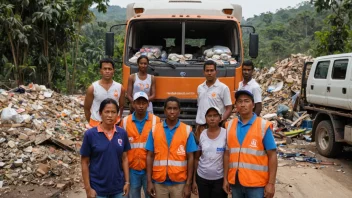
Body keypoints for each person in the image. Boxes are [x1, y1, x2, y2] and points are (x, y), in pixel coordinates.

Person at [223, 90, 278, 198]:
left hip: (257, 185)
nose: (243, 104)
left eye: (246, 101)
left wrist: (271, 184)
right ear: (236, 106)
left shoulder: (262, 126)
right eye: (239, 101)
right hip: (236, 183)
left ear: (253, 105)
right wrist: (225, 179)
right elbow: (227, 154)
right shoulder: (229, 126)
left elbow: (272, 155)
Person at [145, 96, 198, 198]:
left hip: (180, 182)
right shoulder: (154, 130)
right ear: (165, 110)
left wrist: (188, 183)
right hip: (159, 181)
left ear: (179, 111)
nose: (172, 111)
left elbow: (190, 157)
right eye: (169, 108)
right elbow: (149, 156)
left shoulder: (187, 130)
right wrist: (149, 181)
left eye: (175, 108)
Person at [81, 98, 130, 198]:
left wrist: (127, 182)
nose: (110, 115)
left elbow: (124, 158)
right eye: (107, 112)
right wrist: (88, 188)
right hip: (98, 189)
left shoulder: (122, 133)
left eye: (113, 112)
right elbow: (84, 162)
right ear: (100, 113)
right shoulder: (90, 134)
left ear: (117, 115)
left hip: (118, 188)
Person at [120, 92, 161, 198]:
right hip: (132, 169)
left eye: (144, 103)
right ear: (133, 104)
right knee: (133, 195)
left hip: (150, 169)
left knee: (151, 195)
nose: (141, 106)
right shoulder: (125, 122)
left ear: (148, 104)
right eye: (138, 103)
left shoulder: (156, 121)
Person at [192, 107, 227, 198]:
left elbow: (227, 157)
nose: (212, 118)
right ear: (205, 118)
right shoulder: (202, 134)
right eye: (209, 116)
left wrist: (226, 180)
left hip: (220, 179)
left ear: (220, 118)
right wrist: (194, 180)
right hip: (202, 178)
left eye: (215, 116)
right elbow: (196, 158)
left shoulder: (226, 134)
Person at [195, 60, 232, 142]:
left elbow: (229, 108)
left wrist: (221, 120)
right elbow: (200, 107)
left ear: (216, 72)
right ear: (203, 72)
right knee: (201, 152)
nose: (209, 73)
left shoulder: (223, 88)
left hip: (216, 127)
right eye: (207, 70)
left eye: (212, 70)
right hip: (201, 127)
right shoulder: (200, 88)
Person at [84, 58, 125, 127]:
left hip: (113, 125)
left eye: (109, 69)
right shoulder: (93, 88)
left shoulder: (120, 88)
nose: (107, 71)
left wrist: (117, 119)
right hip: (96, 124)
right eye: (105, 69)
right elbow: (86, 108)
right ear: (101, 71)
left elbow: (121, 107)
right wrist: (92, 124)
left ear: (113, 71)